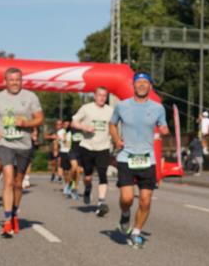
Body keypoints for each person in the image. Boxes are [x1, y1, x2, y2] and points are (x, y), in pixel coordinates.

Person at [109, 72, 169, 249]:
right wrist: (116, 139)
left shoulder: (158, 108)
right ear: (133, 86)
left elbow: (163, 125)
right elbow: (112, 124)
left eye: (145, 82)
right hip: (126, 157)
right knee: (127, 198)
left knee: (145, 200)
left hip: (147, 158)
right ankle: (125, 214)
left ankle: (136, 232)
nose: (142, 85)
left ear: (150, 86)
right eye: (138, 82)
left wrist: (165, 130)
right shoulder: (122, 106)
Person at [0, 68, 44, 238]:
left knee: (18, 183)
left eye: (18, 79)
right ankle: (7, 220)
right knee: (8, 179)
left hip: (24, 145)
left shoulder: (30, 97)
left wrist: (26, 123)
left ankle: (15, 212)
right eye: (11, 80)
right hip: (5, 143)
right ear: (5, 81)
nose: (15, 82)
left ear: (21, 80)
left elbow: (40, 118)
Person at [71, 86, 114, 216]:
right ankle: (88, 187)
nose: (102, 98)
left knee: (102, 174)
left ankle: (101, 203)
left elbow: (115, 125)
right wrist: (84, 127)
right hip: (87, 146)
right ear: (94, 96)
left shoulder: (111, 110)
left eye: (104, 96)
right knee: (88, 175)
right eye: (99, 95)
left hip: (104, 147)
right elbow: (73, 123)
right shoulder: (86, 108)